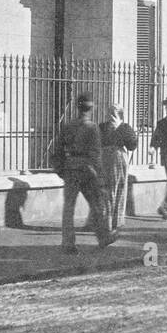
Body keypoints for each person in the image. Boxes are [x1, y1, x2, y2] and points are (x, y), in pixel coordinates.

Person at [50, 94, 118, 252]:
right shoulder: (92, 127)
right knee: (96, 204)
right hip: (88, 170)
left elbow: (57, 151)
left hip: (71, 169)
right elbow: (95, 154)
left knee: (68, 208)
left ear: (77, 107)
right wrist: (100, 176)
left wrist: (62, 170)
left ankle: (68, 243)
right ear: (91, 108)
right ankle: (103, 237)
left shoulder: (68, 126)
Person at [100, 104, 138, 232]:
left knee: (119, 188)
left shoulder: (125, 127)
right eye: (108, 114)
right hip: (104, 159)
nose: (110, 117)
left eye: (113, 114)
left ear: (120, 116)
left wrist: (121, 130)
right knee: (106, 190)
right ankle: (106, 222)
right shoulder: (103, 127)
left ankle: (117, 221)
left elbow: (132, 145)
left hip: (119, 160)